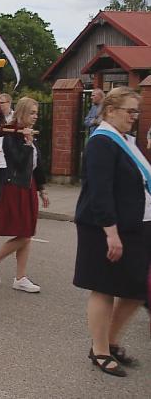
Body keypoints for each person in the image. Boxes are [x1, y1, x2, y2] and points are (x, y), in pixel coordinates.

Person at [73, 87, 149, 378]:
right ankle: (100, 350)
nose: (134, 117)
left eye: (136, 112)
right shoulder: (102, 142)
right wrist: (111, 232)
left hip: (135, 225)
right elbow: (100, 192)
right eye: (129, 111)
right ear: (110, 111)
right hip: (105, 228)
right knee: (104, 287)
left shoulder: (125, 140)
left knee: (135, 289)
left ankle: (111, 341)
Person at [0, 98, 49, 294]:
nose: (36, 116)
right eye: (32, 112)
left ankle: (20, 278)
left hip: (29, 186)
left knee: (26, 233)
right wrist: (28, 144)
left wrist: (42, 188)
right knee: (25, 234)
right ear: (22, 113)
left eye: (37, 112)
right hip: (16, 186)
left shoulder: (27, 133)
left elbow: (37, 164)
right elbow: (19, 162)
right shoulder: (12, 135)